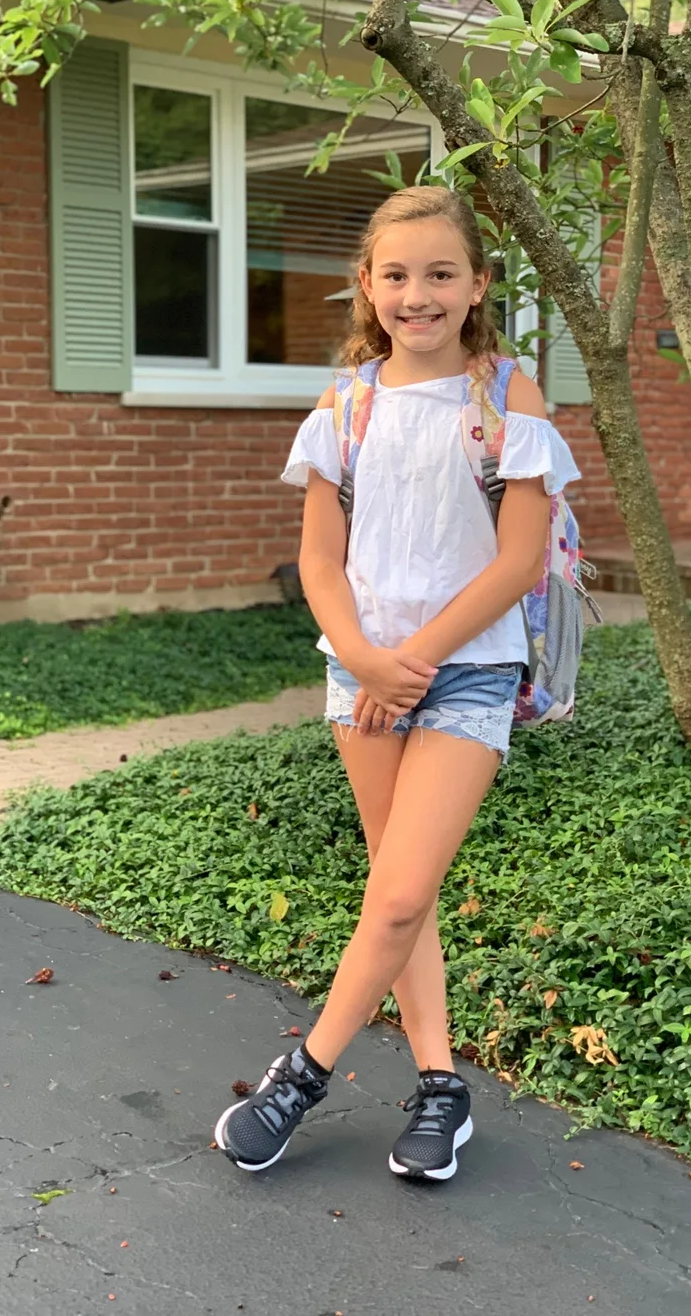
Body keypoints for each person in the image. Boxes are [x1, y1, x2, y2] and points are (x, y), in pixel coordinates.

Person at [214, 185, 580, 1182]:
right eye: (396, 275)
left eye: (440, 274)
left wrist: (408, 665)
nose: (416, 295)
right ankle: (440, 1089)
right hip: (363, 676)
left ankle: (302, 1071)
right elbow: (321, 564)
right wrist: (366, 660)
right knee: (393, 891)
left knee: (403, 889)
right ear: (366, 287)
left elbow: (517, 559)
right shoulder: (346, 404)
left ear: (477, 287)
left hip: (462, 671)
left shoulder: (509, 393)